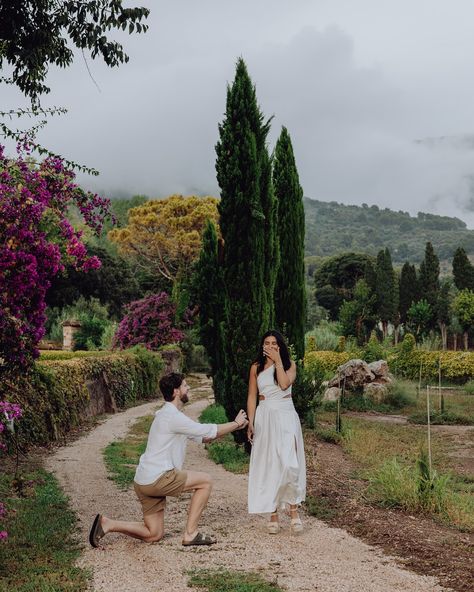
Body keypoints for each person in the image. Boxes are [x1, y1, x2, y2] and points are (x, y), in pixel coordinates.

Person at [89, 372, 248, 547]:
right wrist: (236, 424)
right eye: (185, 385)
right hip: (158, 478)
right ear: (177, 391)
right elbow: (209, 431)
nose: (189, 388)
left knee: (153, 534)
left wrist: (229, 428)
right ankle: (190, 534)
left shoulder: (166, 415)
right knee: (205, 482)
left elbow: (205, 437)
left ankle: (108, 524)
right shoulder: (173, 417)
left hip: (143, 481)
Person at [247, 330, 306, 534]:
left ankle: (293, 511)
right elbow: (252, 396)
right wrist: (251, 422)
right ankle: (272, 514)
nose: (270, 346)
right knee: (269, 463)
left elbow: (283, 384)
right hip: (265, 416)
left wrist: (278, 361)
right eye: (267, 342)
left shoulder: (290, 366)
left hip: (286, 415)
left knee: (290, 463)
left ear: (279, 346)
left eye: (274, 343)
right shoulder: (256, 367)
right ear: (262, 346)